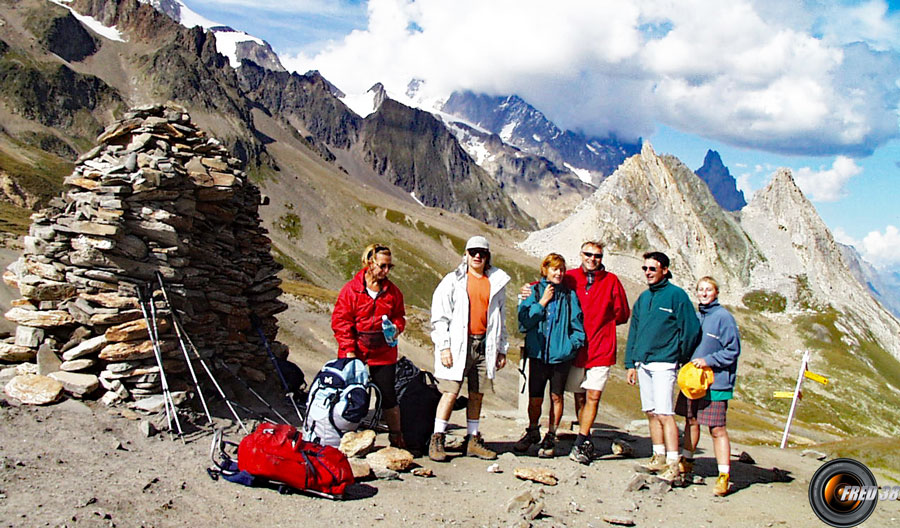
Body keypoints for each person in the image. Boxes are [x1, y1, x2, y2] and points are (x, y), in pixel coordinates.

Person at [517, 241, 630, 464]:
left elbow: (622, 314)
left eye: (597, 255)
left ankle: (580, 441)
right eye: (588, 254)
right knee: (578, 396)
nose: (592, 259)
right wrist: (528, 289)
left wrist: (578, 339)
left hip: (596, 348)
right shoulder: (571, 278)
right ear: (581, 254)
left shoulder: (611, 281)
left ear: (601, 257)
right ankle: (569, 436)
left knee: (591, 396)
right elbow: (548, 282)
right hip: (572, 353)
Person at [429, 236, 510, 462]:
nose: (477, 256)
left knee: (477, 394)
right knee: (450, 392)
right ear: (465, 254)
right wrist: (444, 347)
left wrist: (502, 348)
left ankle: (473, 439)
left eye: (482, 253)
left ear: (487, 256)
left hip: (484, 345)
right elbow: (439, 317)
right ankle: (437, 438)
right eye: (473, 252)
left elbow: (501, 318)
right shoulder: (452, 281)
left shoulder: (496, 282)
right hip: (458, 345)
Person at [624, 251, 701, 482]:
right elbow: (634, 331)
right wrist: (631, 363)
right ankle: (658, 455)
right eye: (645, 269)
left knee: (665, 413)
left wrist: (680, 355)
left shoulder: (677, 296)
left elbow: (691, 329)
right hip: (643, 362)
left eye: (652, 269)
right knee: (650, 411)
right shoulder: (643, 299)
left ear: (664, 270)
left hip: (665, 363)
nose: (648, 273)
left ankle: (673, 462)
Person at [332, 243, 406, 448]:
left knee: (388, 394)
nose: (386, 271)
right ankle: (346, 436)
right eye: (382, 266)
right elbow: (341, 321)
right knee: (352, 393)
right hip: (356, 349)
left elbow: (400, 315)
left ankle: (396, 437)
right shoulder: (351, 290)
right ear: (369, 263)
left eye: (389, 267)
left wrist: (396, 327)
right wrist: (348, 349)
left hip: (383, 351)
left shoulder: (393, 292)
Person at [514, 253, 586, 458]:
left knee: (556, 396)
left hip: (560, 357)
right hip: (538, 355)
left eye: (562, 269)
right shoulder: (533, 291)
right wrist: (542, 302)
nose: (559, 273)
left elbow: (577, 326)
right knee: (535, 397)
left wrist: (570, 347)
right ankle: (533, 430)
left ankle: (551, 434)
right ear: (545, 270)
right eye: (555, 269)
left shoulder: (569, 295)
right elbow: (523, 322)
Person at [675, 276, 741, 496]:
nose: (703, 293)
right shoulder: (696, 316)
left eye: (708, 290)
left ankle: (724, 475)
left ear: (716, 292)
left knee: (717, 429)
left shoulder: (724, 318)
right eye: (700, 289)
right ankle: (687, 461)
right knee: (691, 421)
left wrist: (709, 360)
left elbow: (733, 350)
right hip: (694, 382)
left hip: (716, 382)